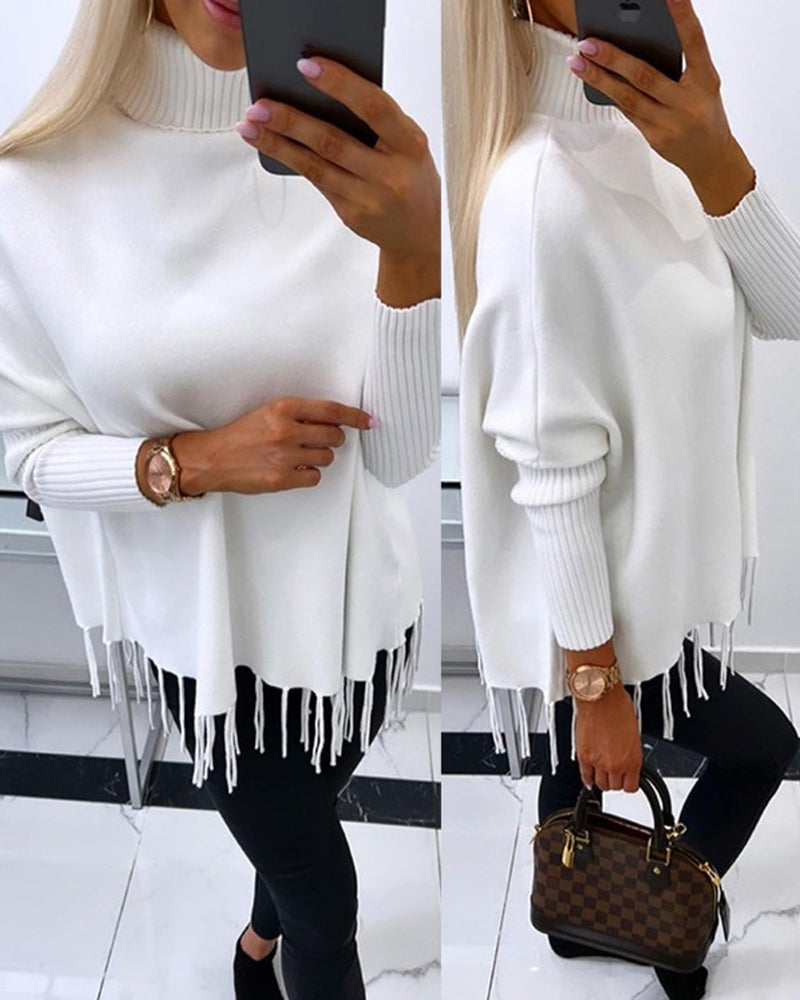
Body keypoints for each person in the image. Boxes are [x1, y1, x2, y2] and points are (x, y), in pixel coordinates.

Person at [0, 1, 440, 998]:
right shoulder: (36, 184)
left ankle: (253, 944)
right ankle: (278, 947)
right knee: (324, 901)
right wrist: (193, 460)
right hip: (214, 656)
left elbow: (400, 451)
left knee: (295, 840)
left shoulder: (358, 154)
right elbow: (31, 451)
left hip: (364, 618)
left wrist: (416, 254)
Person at [445, 0, 799, 997]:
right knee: (762, 747)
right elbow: (553, 470)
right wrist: (598, 684)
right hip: (600, 604)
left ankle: (575, 913)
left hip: (625, 577)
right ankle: (662, 922)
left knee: (576, 780)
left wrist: (716, 155)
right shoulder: (538, 192)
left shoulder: (652, 138)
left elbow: (786, 308)